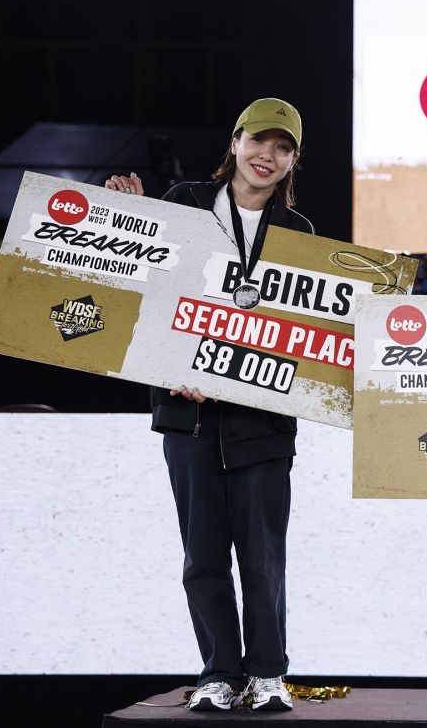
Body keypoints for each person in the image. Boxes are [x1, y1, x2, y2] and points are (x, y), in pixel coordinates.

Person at [106, 98, 317, 712]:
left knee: (263, 553)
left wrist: (234, 374)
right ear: (235, 143)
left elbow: (300, 335)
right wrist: (127, 217)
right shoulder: (185, 204)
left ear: (292, 161)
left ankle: (269, 673)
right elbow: (150, 295)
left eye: (281, 148)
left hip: (262, 417)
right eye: (258, 141)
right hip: (188, 412)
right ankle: (219, 672)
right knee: (203, 554)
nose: (266, 156)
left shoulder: (300, 236)